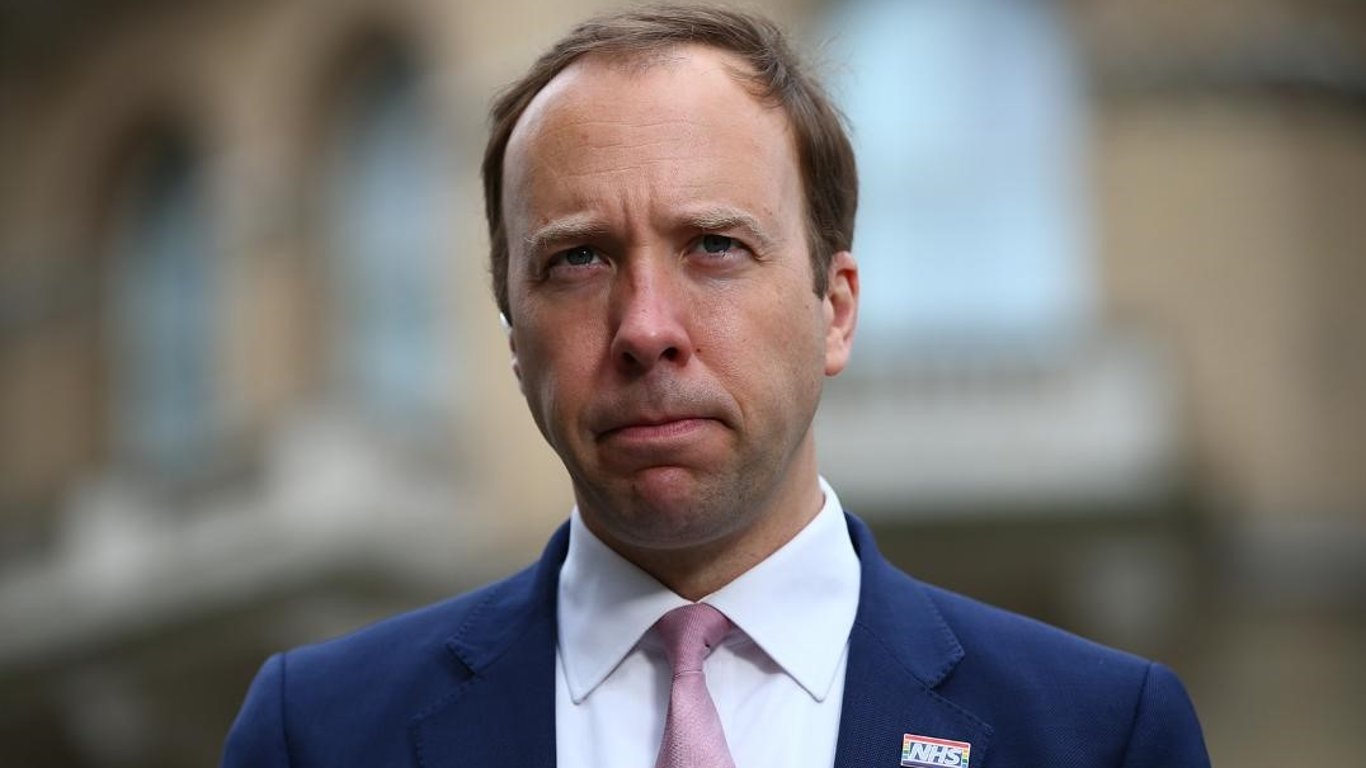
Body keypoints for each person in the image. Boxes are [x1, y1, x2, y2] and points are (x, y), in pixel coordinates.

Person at [223, 6, 1210, 767]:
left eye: (714, 246)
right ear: (514, 339)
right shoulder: (315, 733)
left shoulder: (1100, 733)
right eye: (578, 259)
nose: (646, 328)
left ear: (835, 310)